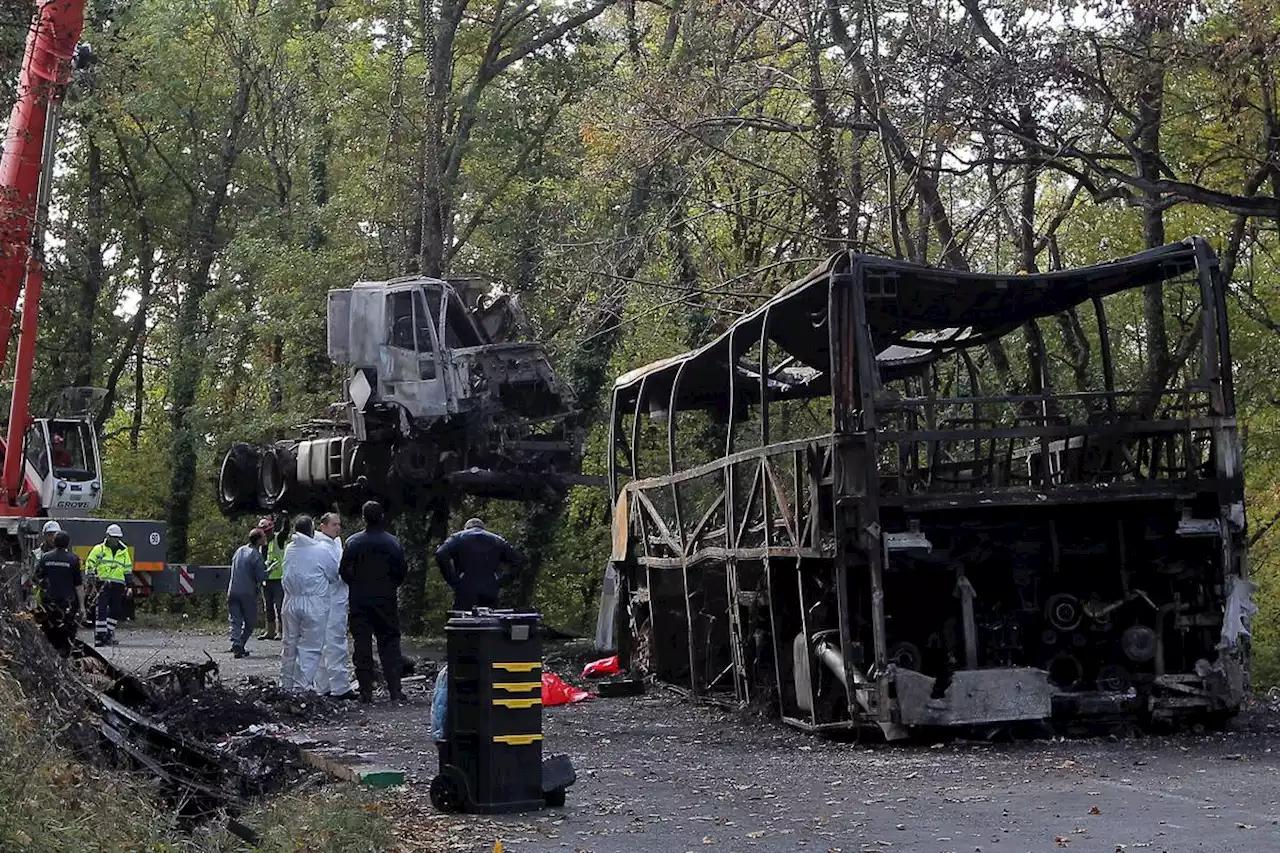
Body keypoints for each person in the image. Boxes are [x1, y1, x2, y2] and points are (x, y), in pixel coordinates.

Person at [339, 501, 408, 703]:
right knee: (390, 643)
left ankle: (365, 691)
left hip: (360, 598)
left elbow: (344, 571)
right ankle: (395, 690)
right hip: (385, 597)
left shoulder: (353, 542)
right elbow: (402, 570)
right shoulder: (392, 542)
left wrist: (356, 584)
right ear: (382, 516)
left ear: (363, 518)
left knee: (362, 644)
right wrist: (390, 585)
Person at [279, 515, 339, 693]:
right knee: (310, 648)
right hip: (314, 603)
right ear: (313, 531)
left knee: (289, 645)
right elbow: (333, 575)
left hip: (290, 601)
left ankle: (286, 686)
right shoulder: (321, 550)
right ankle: (302, 688)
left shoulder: (290, 548)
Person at [434, 517, 527, 611]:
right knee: (489, 622)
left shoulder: (458, 538)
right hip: (489, 589)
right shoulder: (497, 540)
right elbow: (518, 561)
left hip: (465, 588)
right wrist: (502, 581)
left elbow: (440, 553)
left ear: (466, 528)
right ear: (483, 528)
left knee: (462, 622)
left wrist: (452, 579)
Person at [314, 511, 354, 698]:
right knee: (333, 643)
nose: (337, 528)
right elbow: (334, 573)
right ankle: (338, 686)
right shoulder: (321, 546)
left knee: (331, 643)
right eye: (334, 524)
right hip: (329, 600)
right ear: (323, 526)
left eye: (339, 524)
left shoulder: (335, 543)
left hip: (337, 599)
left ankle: (326, 685)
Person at [33, 531, 83, 656]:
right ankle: (64, 656)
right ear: (68, 543)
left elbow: (36, 578)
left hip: (49, 602)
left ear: (54, 542)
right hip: (67, 603)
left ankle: (50, 656)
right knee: (67, 634)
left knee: (50, 632)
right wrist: (82, 606)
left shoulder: (45, 558)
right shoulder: (73, 559)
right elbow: (78, 585)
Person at [86, 524, 132, 647]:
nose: (116, 540)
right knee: (101, 610)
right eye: (113, 537)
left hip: (118, 584)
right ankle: (100, 637)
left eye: (117, 538)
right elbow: (90, 562)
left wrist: (130, 586)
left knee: (116, 610)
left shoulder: (124, 551)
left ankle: (108, 634)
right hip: (102, 583)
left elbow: (127, 569)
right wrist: (91, 575)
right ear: (107, 536)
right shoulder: (98, 549)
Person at [228, 528, 268, 659]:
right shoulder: (256, 555)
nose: (265, 538)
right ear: (259, 540)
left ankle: (236, 643)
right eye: (263, 536)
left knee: (235, 620)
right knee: (250, 622)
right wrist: (268, 570)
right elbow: (260, 577)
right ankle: (240, 644)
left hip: (233, 590)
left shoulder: (239, 550)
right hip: (247, 592)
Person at [258, 515, 286, 641]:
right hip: (266, 579)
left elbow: (285, 531)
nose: (265, 534)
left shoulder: (278, 539)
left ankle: (281, 631)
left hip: (278, 579)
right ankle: (269, 630)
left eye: (267, 532)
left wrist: (285, 516)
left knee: (279, 606)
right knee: (268, 606)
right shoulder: (261, 544)